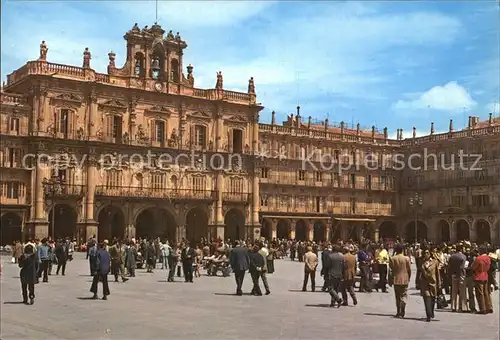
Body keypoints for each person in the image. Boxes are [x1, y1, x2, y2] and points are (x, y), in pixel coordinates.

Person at [389, 244, 411, 318]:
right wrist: (409, 277)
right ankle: (403, 309)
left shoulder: (393, 259)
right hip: (404, 279)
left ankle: (398, 311)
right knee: (404, 295)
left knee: (397, 296)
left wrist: (390, 280)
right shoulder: (407, 258)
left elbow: (390, 270)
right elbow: (409, 270)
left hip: (396, 279)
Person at [420, 248, 441, 322]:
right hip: (424, 283)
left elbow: (437, 273)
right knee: (427, 299)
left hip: (433, 283)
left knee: (432, 299)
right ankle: (428, 315)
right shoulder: (421, 262)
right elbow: (419, 273)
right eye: (425, 253)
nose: (426, 254)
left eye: (427, 253)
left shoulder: (435, 262)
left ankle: (431, 311)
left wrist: (439, 284)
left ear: (430, 254)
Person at [471, 246, 493, 314]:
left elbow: (473, 267)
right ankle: (489, 307)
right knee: (486, 293)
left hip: (479, 276)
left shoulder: (478, 258)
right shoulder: (488, 258)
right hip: (485, 275)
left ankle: (482, 309)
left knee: (480, 293)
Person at [448, 244, 468, 312]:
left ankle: (453, 307)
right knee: (462, 291)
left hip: (454, 274)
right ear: (461, 249)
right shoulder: (463, 256)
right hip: (461, 274)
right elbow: (463, 266)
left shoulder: (452, 256)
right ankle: (463, 307)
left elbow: (449, 266)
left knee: (454, 291)